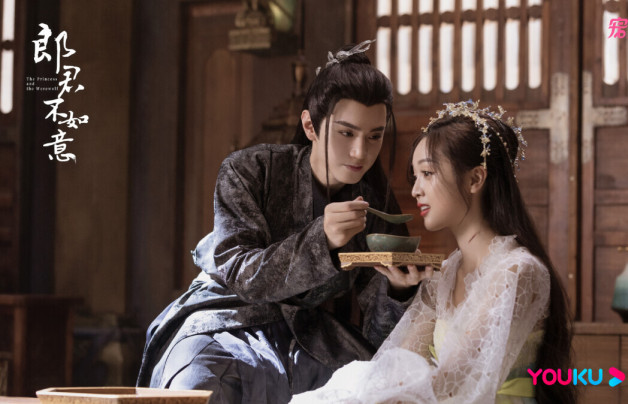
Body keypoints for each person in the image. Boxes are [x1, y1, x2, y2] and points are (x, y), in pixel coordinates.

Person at [136, 40, 432, 404]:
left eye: (374, 136)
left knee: (369, 389)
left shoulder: (373, 205)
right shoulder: (248, 170)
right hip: (224, 319)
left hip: (313, 336)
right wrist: (321, 239)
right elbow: (241, 274)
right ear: (310, 125)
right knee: (199, 381)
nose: (360, 152)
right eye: (346, 133)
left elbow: (380, 334)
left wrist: (398, 292)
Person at [292, 100, 576, 404]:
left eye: (427, 173)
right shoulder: (446, 274)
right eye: (415, 176)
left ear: (475, 179)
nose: (416, 189)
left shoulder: (516, 271)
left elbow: (451, 382)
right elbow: (399, 365)